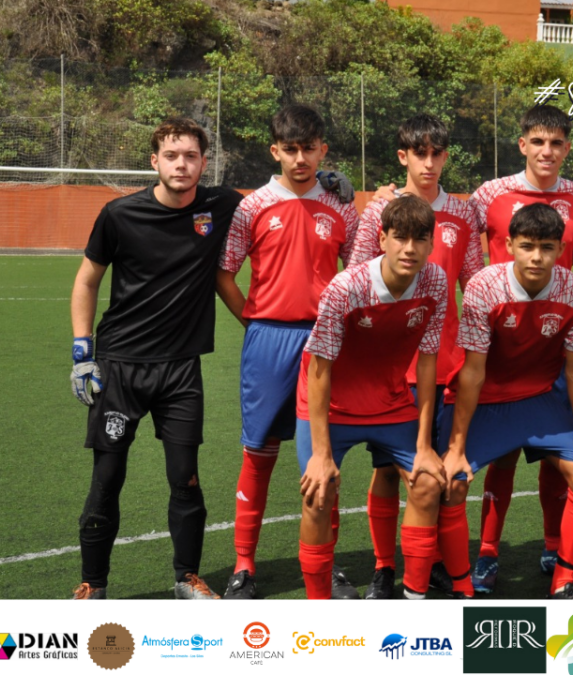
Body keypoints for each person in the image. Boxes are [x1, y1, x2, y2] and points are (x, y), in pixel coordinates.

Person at [69, 118, 243, 600]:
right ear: (155, 162)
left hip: (181, 370)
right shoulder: (119, 214)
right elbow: (87, 280)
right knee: (107, 478)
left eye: (190, 156)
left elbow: (276, 207)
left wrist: (327, 186)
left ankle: (186, 577)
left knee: (185, 478)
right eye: (172, 156)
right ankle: (93, 584)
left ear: (204, 163)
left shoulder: (220, 205)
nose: (181, 164)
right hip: (121, 367)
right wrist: (83, 351)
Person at [216, 104, 360, 600]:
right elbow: (224, 273)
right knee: (258, 452)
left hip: (326, 344)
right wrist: (254, 321)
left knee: (323, 456)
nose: (301, 158)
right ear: (275, 150)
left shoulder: (342, 205)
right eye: (290, 149)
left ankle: (330, 565)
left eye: (310, 148)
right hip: (269, 341)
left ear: (323, 149)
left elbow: (359, 269)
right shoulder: (252, 206)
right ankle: (243, 565)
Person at [347, 113, 484, 599]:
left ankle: (439, 565)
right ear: (403, 156)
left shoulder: (464, 215)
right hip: (391, 367)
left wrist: (473, 356)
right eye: (418, 153)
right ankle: (385, 568)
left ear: (446, 156)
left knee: (445, 473)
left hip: (445, 366)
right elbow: (356, 279)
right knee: (387, 470)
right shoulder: (379, 212)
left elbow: (478, 284)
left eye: (437, 153)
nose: (429, 163)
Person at [436, 203, 573, 599]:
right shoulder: (484, 286)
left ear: (560, 248)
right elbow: (473, 371)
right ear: (509, 244)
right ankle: (469, 578)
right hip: (488, 399)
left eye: (547, 247)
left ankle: (564, 579)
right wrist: (456, 448)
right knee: (453, 481)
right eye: (527, 246)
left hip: (542, 397)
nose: (537, 256)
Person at [466, 105, 573, 591]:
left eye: (557, 143)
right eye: (538, 142)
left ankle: (552, 547)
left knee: (552, 457)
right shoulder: (489, 195)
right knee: (499, 457)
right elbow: (455, 230)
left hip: (552, 340)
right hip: (498, 343)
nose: (547, 152)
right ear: (522, 144)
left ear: (567, 147)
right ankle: (486, 552)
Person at [298, 195, 449, 600]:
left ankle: (413, 600)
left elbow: (428, 362)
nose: (409, 249)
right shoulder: (347, 287)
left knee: (427, 483)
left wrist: (423, 446)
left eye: (420, 240)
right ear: (381, 239)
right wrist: (320, 453)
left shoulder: (435, 281)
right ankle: (318, 609)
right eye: (399, 238)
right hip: (331, 403)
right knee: (318, 493)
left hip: (390, 399)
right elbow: (319, 369)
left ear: (432, 244)